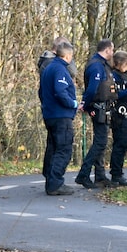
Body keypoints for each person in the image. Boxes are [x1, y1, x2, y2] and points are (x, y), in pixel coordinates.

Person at [75, 39, 118, 188]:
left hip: (103, 107)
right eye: (112, 50)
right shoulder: (96, 66)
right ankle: (83, 174)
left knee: (101, 142)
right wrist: (85, 104)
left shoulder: (103, 65)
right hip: (98, 108)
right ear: (107, 50)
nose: (113, 53)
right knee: (100, 142)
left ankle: (100, 176)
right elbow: (92, 89)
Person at [39, 41, 78, 195]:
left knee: (53, 148)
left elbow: (41, 92)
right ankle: (55, 183)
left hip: (50, 114)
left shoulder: (48, 68)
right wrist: (72, 103)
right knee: (63, 148)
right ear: (67, 56)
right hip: (61, 115)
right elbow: (60, 91)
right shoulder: (60, 69)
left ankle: (50, 179)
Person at [108, 50, 127, 186]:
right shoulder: (113, 76)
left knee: (124, 142)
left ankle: (118, 172)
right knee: (120, 143)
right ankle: (116, 173)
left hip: (126, 111)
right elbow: (115, 95)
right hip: (118, 113)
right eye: (126, 63)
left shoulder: (126, 76)